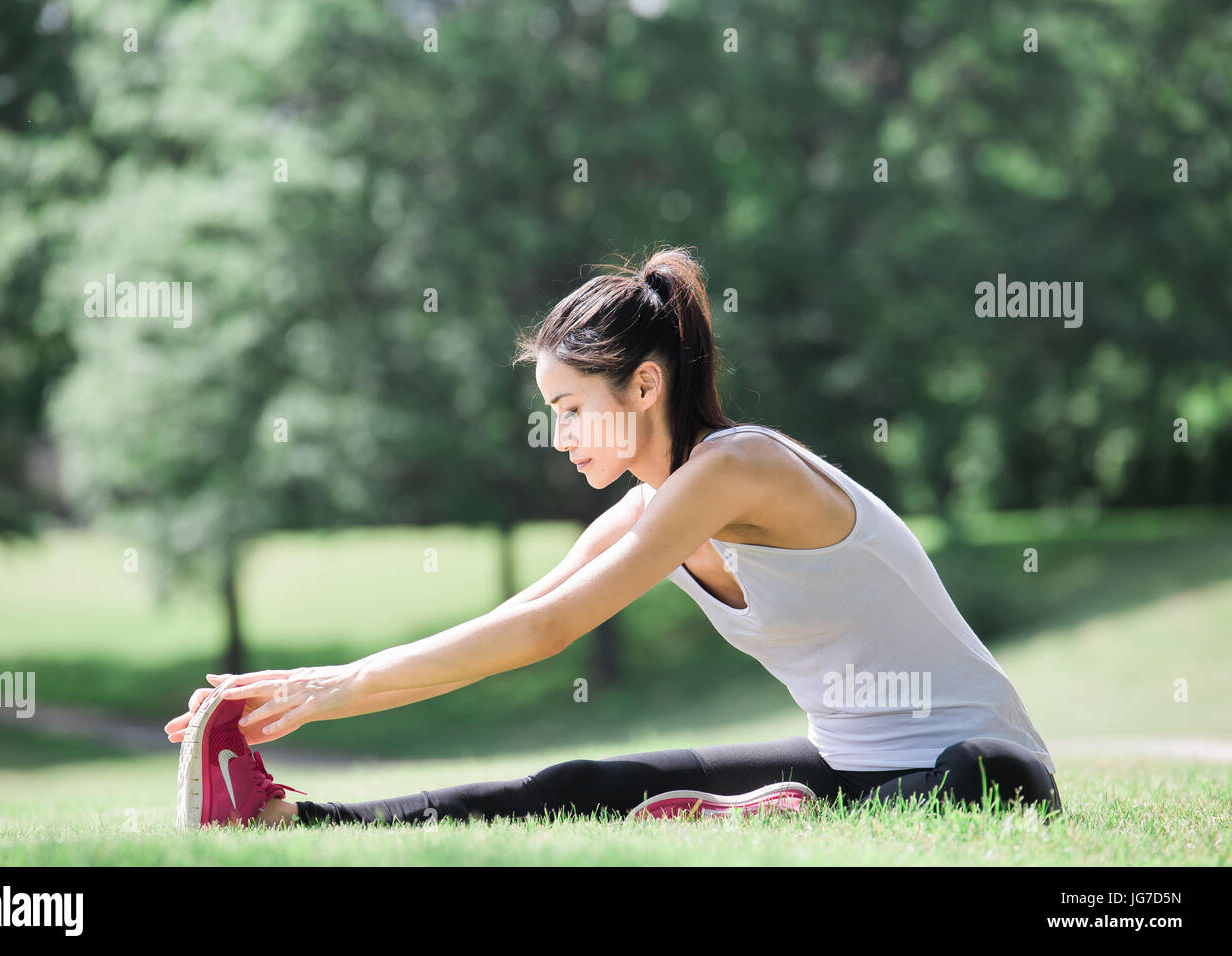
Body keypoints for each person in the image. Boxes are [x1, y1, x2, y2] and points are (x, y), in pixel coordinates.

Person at [166, 245, 1063, 829]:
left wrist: (332, 687)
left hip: (984, 769)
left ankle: (767, 817)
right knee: (585, 783)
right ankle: (305, 823)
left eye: (569, 408)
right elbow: (515, 624)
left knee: (979, 772)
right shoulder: (641, 513)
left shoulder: (739, 466)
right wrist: (307, 692)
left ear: (642, 386)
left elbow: (547, 635)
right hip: (850, 770)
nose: (558, 436)